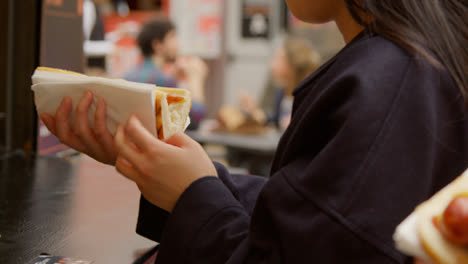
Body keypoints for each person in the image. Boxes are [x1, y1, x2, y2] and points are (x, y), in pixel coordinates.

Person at [40, 0, 468, 263]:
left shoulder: (387, 82)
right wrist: (171, 170)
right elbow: (308, 215)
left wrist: (192, 191)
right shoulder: (409, 66)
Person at [124, 17, 208, 129]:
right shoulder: (162, 80)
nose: (178, 44)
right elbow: (194, 119)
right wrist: (196, 78)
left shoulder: (128, 75)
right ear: (157, 45)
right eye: (173, 37)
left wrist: (174, 79)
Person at [240, 37, 320, 130]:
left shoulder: (312, 94)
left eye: (278, 59)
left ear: (292, 64)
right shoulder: (281, 92)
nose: (271, 64)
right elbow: (276, 121)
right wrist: (255, 111)